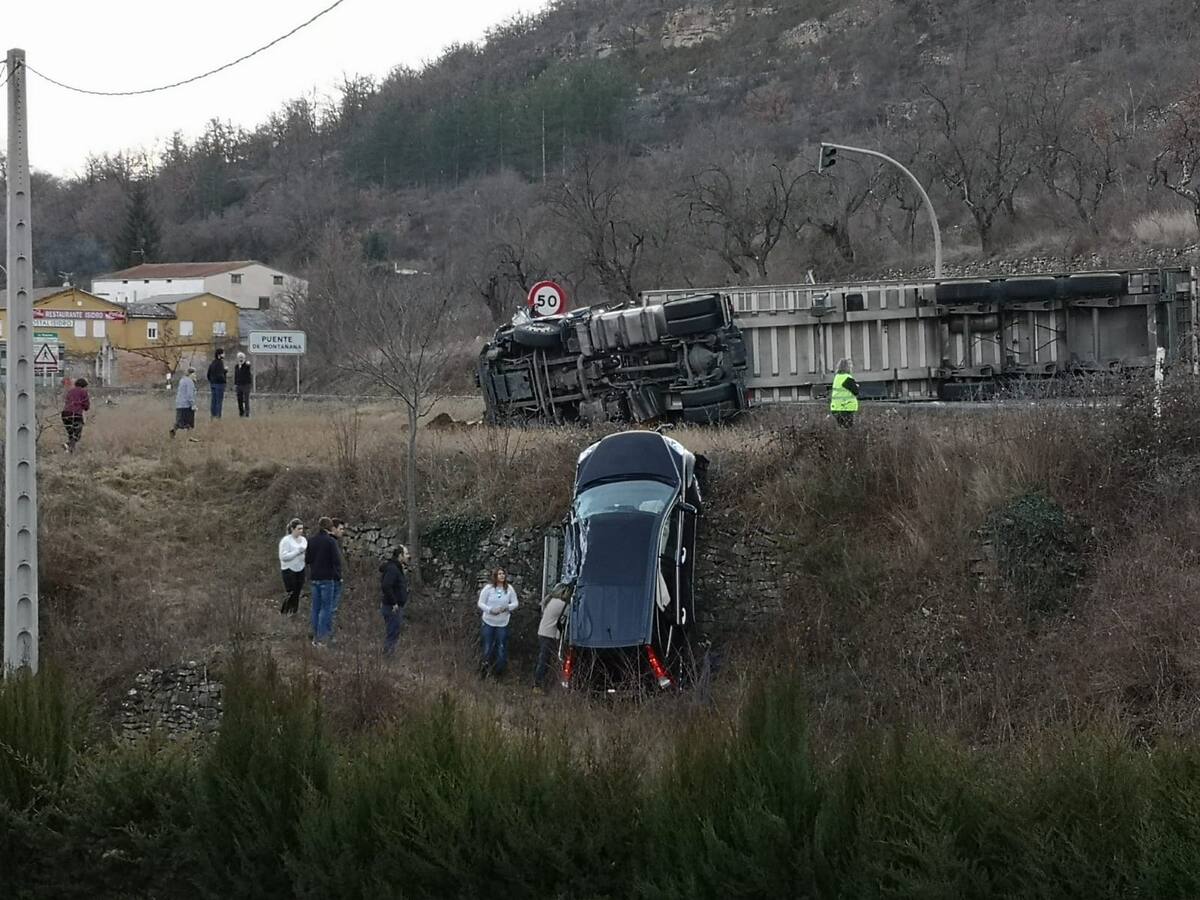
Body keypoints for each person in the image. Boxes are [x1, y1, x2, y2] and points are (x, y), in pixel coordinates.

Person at [305, 516, 343, 647]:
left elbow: (307, 559)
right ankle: (321, 638)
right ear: (330, 527)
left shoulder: (311, 541)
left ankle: (315, 636)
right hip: (327, 578)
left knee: (315, 608)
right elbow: (336, 561)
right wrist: (338, 576)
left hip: (314, 577)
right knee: (326, 608)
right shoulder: (331, 542)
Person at [477, 567, 518, 679]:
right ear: (495, 576)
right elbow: (480, 603)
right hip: (488, 622)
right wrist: (490, 610)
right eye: (499, 574)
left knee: (501, 649)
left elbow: (515, 603)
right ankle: (484, 672)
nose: (502, 576)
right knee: (487, 648)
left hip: (502, 623)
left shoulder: (509, 589)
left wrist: (507, 607)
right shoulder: (488, 588)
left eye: (503, 574)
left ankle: (498, 674)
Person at [533, 582, 570, 690]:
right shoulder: (562, 604)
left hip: (542, 632)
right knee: (545, 661)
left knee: (543, 659)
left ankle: (539, 683)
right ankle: (538, 685)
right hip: (550, 635)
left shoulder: (550, 600)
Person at [379, 545, 410, 658]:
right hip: (392, 607)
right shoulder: (393, 569)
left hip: (393, 606)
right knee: (392, 632)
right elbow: (386, 585)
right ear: (400, 556)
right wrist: (394, 603)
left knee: (394, 632)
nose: (408, 556)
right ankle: (388, 657)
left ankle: (389, 655)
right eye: (406, 554)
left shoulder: (396, 568)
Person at [278, 518, 307, 616]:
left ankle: (294, 613)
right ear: (292, 529)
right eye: (298, 529)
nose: (301, 531)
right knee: (291, 592)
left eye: (302, 529)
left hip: (301, 568)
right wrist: (297, 551)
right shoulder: (286, 541)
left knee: (297, 593)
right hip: (289, 569)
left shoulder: (303, 540)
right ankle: (284, 613)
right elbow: (283, 557)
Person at [61, 377, 91, 453]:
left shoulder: (70, 391)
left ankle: (70, 452)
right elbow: (86, 406)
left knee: (71, 435)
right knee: (77, 435)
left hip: (65, 414)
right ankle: (67, 445)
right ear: (84, 386)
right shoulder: (83, 392)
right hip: (76, 414)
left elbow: (67, 402)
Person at [830, 358, 860, 428]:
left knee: (841, 429)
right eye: (850, 365)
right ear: (847, 367)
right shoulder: (847, 378)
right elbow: (856, 392)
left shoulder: (837, 377)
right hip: (846, 408)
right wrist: (856, 386)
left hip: (836, 408)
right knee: (848, 429)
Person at [170, 368, 198, 439]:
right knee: (190, 422)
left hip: (179, 404)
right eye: (194, 374)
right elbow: (189, 395)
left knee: (179, 421)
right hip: (187, 405)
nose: (195, 375)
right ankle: (190, 437)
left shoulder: (182, 380)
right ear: (191, 374)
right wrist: (193, 405)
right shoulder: (189, 382)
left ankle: (173, 430)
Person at [206, 348, 227, 419]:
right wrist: (224, 380)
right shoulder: (220, 363)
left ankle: (213, 415)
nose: (224, 355)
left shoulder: (213, 362)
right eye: (223, 353)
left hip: (213, 383)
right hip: (219, 384)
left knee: (213, 400)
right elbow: (220, 374)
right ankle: (218, 416)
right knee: (219, 401)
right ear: (219, 355)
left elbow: (208, 374)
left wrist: (211, 381)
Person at [234, 352, 253, 418]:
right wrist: (235, 384)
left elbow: (248, 365)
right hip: (238, 385)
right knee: (239, 399)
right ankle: (241, 413)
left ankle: (247, 413)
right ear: (237, 358)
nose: (241, 359)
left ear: (244, 358)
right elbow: (236, 375)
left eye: (242, 357)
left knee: (246, 399)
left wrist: (248, 363)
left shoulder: (246, 365)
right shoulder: (236, 366)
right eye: (239, 357)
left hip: (246, 385)